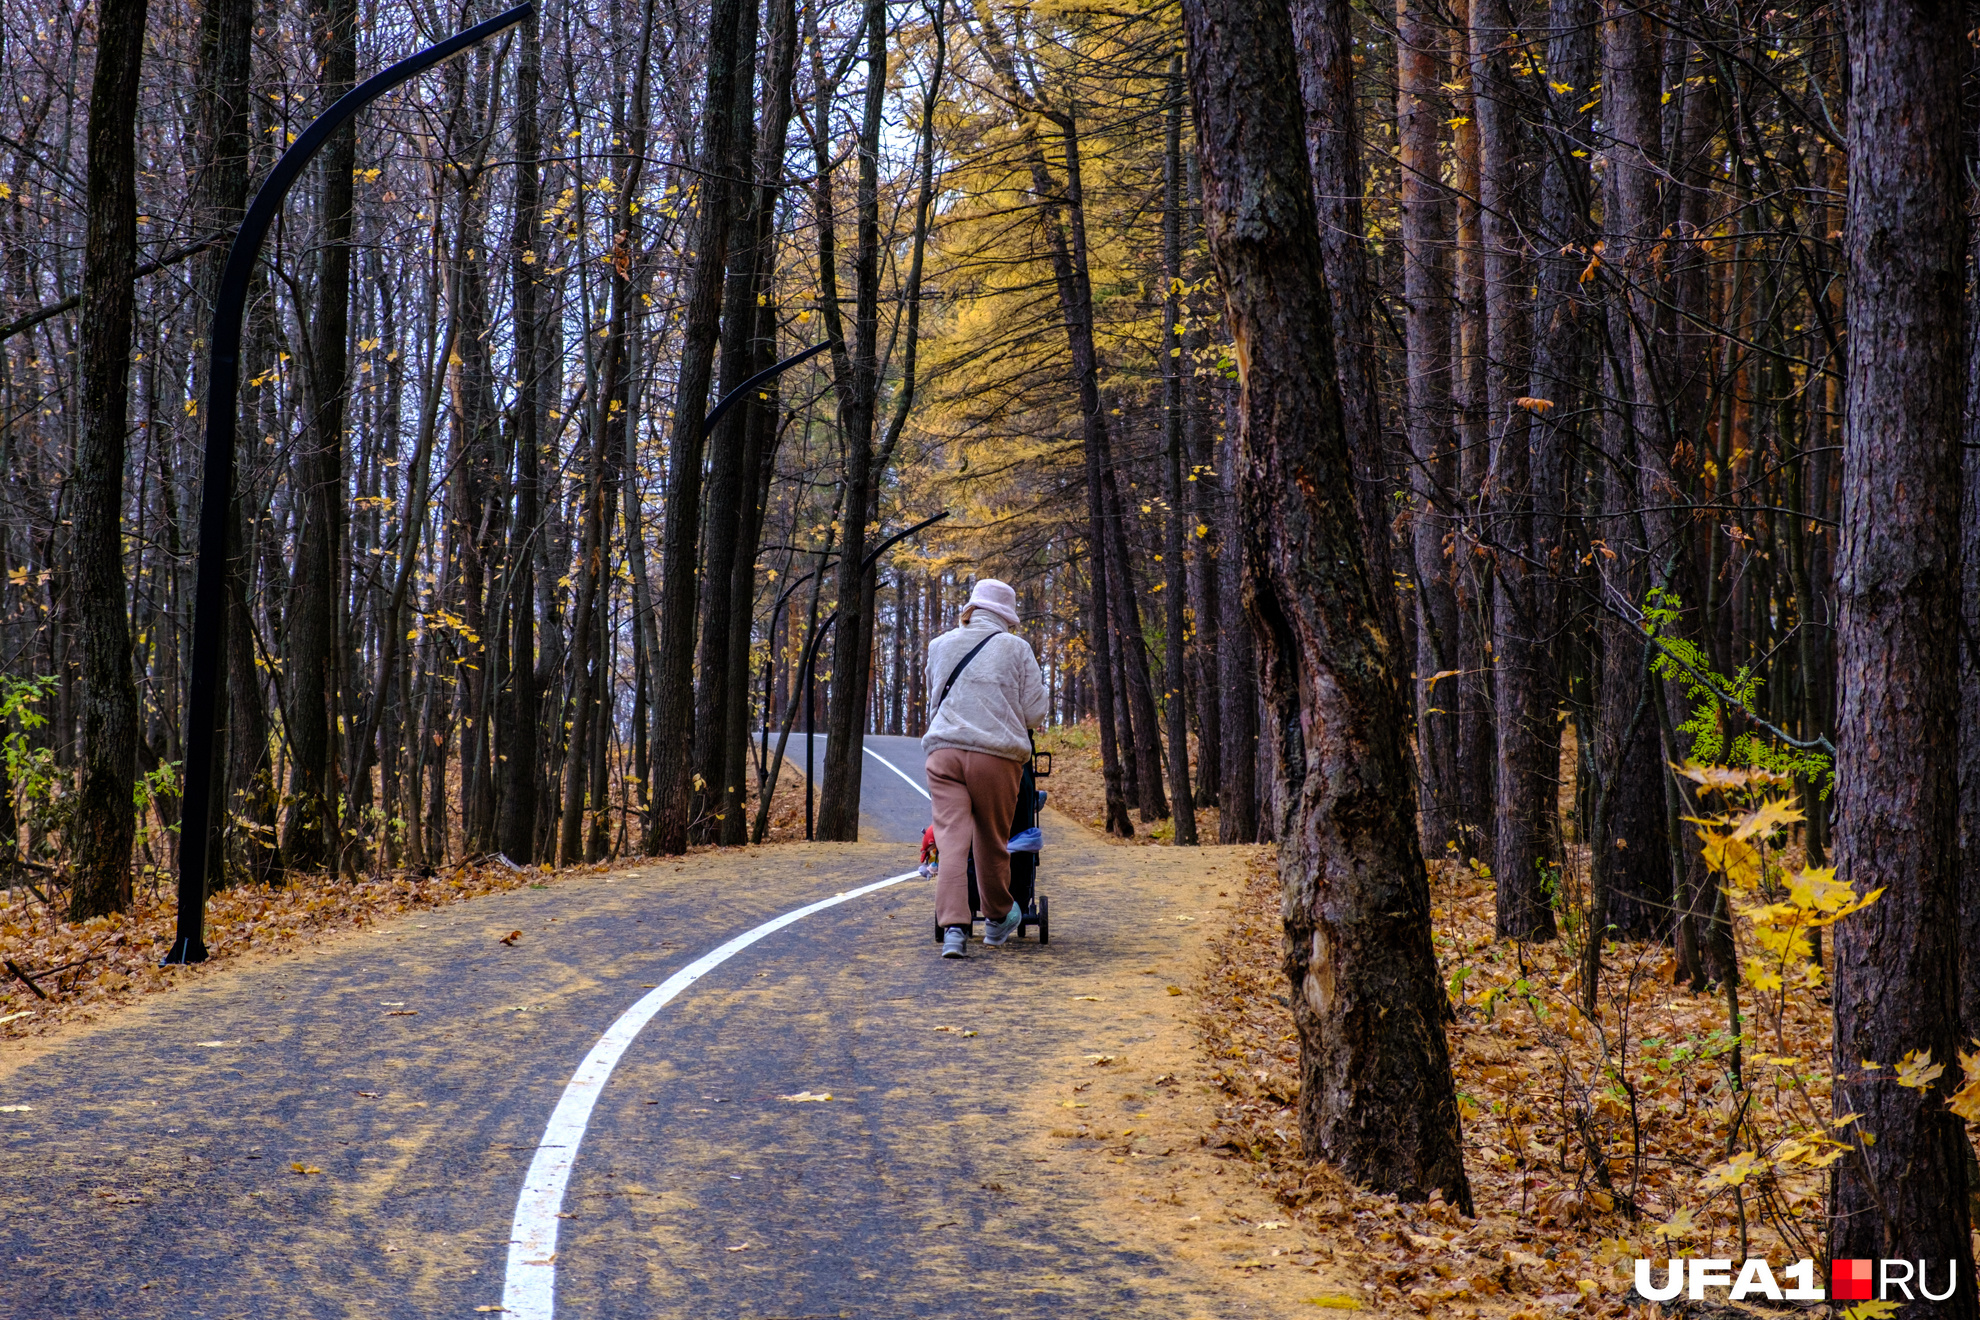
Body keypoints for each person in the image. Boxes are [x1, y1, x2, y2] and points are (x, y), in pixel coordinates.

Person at [922, 578, 1048, 958]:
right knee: (991, 841)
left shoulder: (939, 645)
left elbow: (934, 700)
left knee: (951, 844)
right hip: (995, 757)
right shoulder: (1016, 648)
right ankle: (996, 920)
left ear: (972, 608)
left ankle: (955, 931)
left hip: (943, 753)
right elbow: (1035, 711)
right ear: (1005, 616)